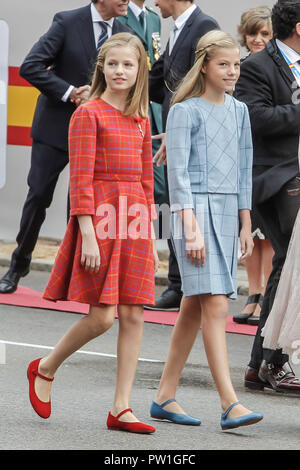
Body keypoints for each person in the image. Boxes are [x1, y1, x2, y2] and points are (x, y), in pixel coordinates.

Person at [27, 32, 158, 434]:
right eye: (113, 63)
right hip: (99, 219)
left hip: (134, 221)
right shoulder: (88, 113)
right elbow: (80, 180)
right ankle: (45, 367)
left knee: (134, 314)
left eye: (128, 64)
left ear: (139, 71)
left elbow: (147, 180)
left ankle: (121, 407)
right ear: (102, 67)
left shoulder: (141, 119)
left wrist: (152, 234)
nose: (120, 71)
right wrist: (86, 232)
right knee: (102, 318)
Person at [150, 30, 263, 431]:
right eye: (224, 64)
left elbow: (244, 171)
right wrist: (191, 229)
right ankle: (230, 403)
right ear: (204, 66)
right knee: (215, 303)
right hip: (191, 215)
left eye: (236, 64)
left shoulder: (239, 111)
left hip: (228, 213)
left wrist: (247, 223)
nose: (232, 71)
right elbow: (177, 179)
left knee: (193, 307)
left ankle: (164, 396)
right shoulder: (184, 111)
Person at [0, 0, 131, 295]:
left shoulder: (124, 31)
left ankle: (76, 276)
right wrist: (71, 92)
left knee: (82, 204)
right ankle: (17, 266)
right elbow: (31, 66)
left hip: (99, 133)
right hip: (55, 129)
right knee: (38, 197)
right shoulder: (67, 21)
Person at [235, 0, 300, 394]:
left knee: (287, 266)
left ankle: (263, 363)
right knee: (291, 261)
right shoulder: (258, 65)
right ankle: (271, 362)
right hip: (277, 179)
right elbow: (255, 118)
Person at [145, 0, 220, 312]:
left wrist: (180, 134)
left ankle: (181, 284)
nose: (154, 2)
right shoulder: (176, 28)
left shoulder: (203, 26)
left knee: (182, 205)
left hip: (189, 136)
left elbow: (203, 86)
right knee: (170, 203)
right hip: (174, 134)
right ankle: (178, 282)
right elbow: (158, 80)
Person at [233, 6, 274, 326]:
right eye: (253, 33)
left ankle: (266, 300)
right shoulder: (238, 67)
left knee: (269, 235)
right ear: (244, 36)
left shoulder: (279, 69)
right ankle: (253, 294)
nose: (258, 39)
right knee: (250, 230)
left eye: (265, 33)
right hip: (244, 158)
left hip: (271, 159)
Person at [118, 0, 167, 210]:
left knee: (161, 188)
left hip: (152, 111)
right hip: (128, 107)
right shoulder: (119, 14)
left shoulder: (153, 17)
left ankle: (156, 238)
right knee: (133, 183)